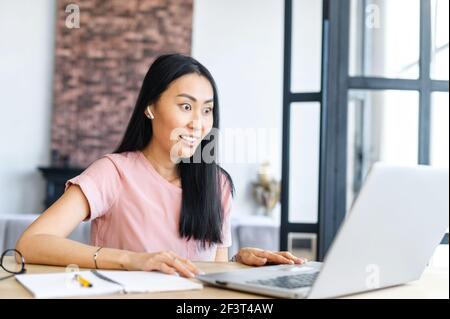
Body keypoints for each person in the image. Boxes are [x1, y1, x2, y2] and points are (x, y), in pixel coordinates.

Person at [16, 54, 306, 278]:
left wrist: (238, 264)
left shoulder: (217, 184)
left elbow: (213, 276)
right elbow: (31, 243)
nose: (198, 122)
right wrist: (131, 259)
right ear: (150, 107)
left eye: (207, 109)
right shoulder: (113, 172)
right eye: (186, 106)